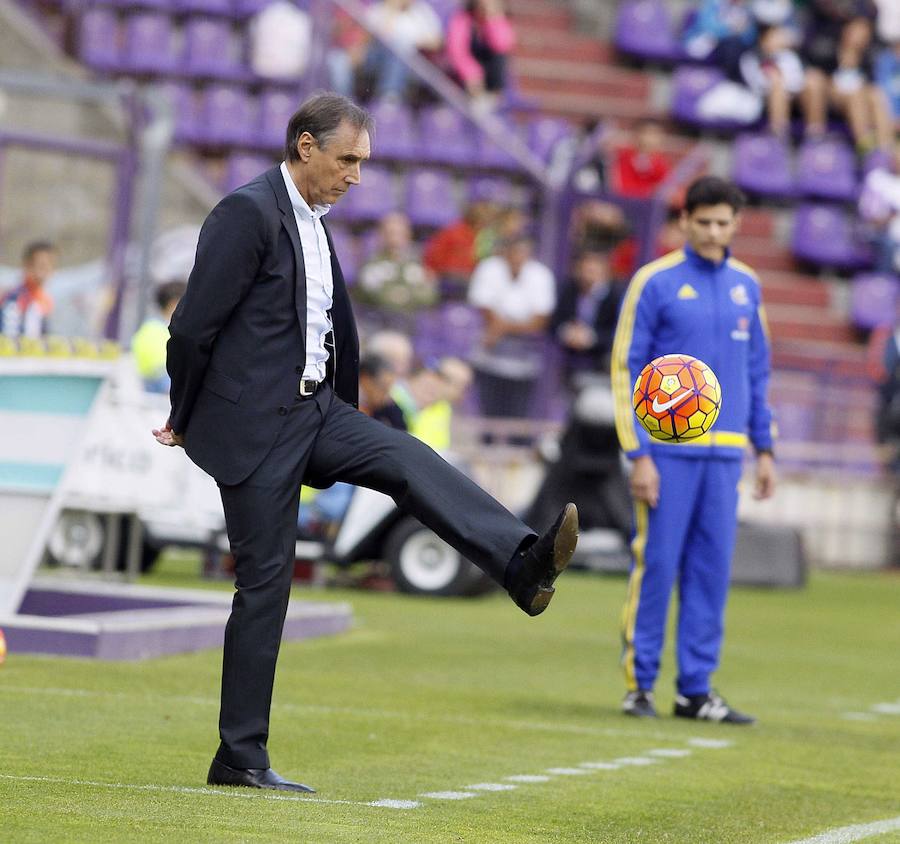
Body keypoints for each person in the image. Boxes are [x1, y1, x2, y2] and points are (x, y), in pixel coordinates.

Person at [152, 93, 578, 793]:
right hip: (254, 429)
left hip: (316, 413)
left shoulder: (316, 222)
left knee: (408, 456)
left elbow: (324, 325)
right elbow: (191, 329)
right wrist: (184, 415)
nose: (356, 175)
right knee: (266, 585)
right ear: (306, 146)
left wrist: (344, 407)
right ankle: (240, 757)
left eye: (364, 163)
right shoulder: (245, 212)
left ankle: (521, 564)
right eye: (348, 159)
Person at [610, 176, 776, 724]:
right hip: (666, 454)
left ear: (736, 225)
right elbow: (625, 368)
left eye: (722, 223)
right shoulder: (653, 282)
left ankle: (696, 692)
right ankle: (640, 687)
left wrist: (764, 448)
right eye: (702, 221)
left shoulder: (746, 286)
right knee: (656, 566)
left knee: (710, 573)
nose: (711, 231)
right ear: (684, 222)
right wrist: (639, 455)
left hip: (726, 455)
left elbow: (757, 370)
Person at [467, 232, 556, 425]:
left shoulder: (541, 275)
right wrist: (509, 326)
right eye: (515, 252)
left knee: (518, 416)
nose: (518, 257)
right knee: (488, 414)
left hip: (525, 362)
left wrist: (500, 328)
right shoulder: (489, 268)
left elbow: (540, 321)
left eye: (523, 253)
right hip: (488, 357)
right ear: (506, 252)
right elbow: (483, 308)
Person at [353, 210, 437, 331]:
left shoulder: (418, 263)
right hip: (380, 325)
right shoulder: (372, 265)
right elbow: (378, 297)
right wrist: (409, 294)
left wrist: (401, 294)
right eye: (390, 233)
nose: (395, 238)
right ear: (381, 235)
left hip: (414, 324)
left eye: (401, 233)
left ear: (409, 235)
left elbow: (429, 295)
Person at [551, 249, 623, 384]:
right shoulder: (568, 289)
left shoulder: (615, 296)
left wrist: (592, 338)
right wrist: (567, 331)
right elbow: (554, 321)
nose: (587, 277)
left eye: (593, 272)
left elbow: (619, 332)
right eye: (585, 271)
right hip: (568, 361)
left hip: (600, 366)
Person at [362, 0, 443, 99]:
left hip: (414, 61)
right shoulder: (378, 10)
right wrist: (392, 10)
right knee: (398, 47)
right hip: (380, 61)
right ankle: (389, 96)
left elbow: (437, 42)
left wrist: (414, 42)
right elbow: (376, 38)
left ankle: (390, 96)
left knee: (402, 48)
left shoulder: (421, 10)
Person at [738, 22, 806, 138]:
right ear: (763, 40)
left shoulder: (789, 56)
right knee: (776, 86)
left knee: (813, 81)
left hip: (793, 96)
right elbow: (756, 84)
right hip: (763, 99)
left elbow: (797, 82)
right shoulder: (751, 58)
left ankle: (815, 133)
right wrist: (775, 79)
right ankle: (779, 135)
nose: (780, 39)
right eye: (775, 36)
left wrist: (782, 82)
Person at [446, 0, 516, 111]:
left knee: (500, 57)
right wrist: (472, 74)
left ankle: (492, 99)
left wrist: (493, 20)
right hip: (465, 78)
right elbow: (456, 51)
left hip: (489, 78)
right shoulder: (462, 19)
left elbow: (502, 45)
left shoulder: (497, 19)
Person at [423, 200, 497, 299]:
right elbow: (433, 254)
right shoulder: (453, 232)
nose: (485, 224)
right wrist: (432, 270)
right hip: (450, 278)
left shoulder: (484, 237)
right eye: (483, 220)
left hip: (471, 278)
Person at [132, 281, 187, 393]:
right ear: (174, 304)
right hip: (162, 392)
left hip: (149, 391)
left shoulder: (148, 327)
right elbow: (165, 381)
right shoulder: (165, 332)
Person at [0, 241, 56, 339]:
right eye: (41, 265)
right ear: (27, 266)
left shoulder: (45, 299)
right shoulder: (16, 298)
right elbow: (8, 339)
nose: (46, 269)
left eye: (50, 264)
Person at [609, 119, 672, 200]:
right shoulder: (623, 157)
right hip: (624, 200)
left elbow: (666, 190)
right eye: (646, 133)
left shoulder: (662, 164)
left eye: (655, 134)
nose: (650, 139)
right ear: (636, 134)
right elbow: (619, 186)